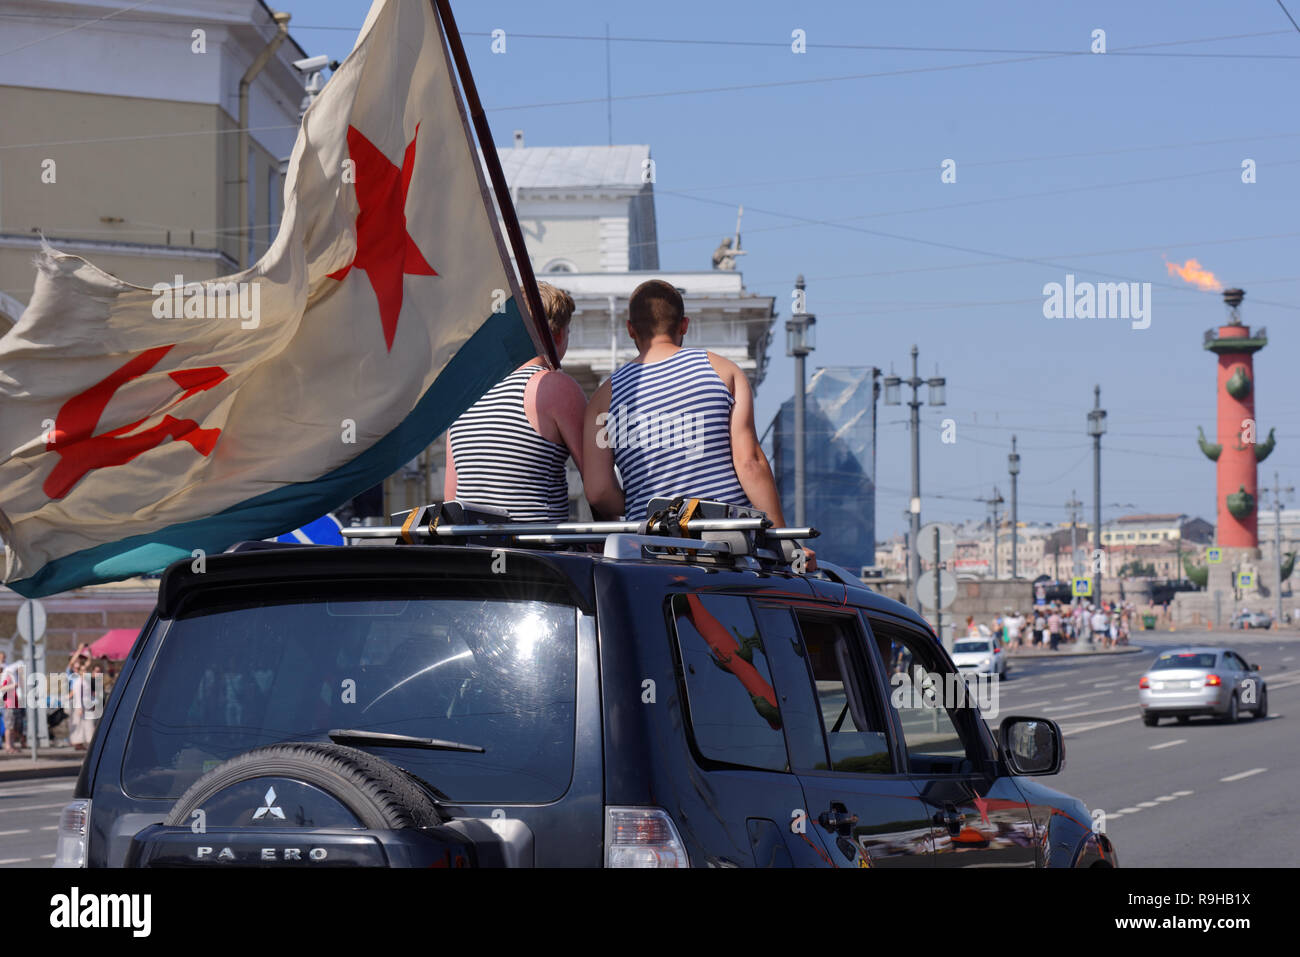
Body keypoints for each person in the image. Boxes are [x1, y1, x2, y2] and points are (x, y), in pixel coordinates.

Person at [583, 280, 812, 563]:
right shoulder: (723, 372)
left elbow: (597, 492)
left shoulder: (603, 398)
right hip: (726, 548)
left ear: (631, 329)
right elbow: (749, 462)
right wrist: (784, 540)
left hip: (651, 550)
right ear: (684, 325)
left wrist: (642, 498)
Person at [445, 282, 587, 522]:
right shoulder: (556, 386)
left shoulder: (464, 395)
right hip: (538, 554)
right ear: (559, 334)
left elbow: (451, 498)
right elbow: (597, 486)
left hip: (471, 552)